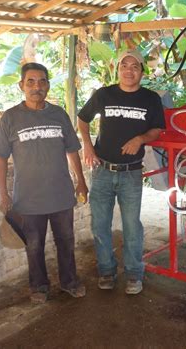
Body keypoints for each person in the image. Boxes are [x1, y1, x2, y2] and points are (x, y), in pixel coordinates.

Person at [0, 62, 88, 304]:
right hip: (28, 199)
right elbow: (0, 158)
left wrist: (81, 182)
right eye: (31, 82)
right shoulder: (10, 118)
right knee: (34, 247)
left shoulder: (59, 114)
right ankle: (39, 287)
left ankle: (69, 282)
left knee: (66, 242)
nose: (37, 86)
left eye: (42, 81)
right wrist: (3, 194)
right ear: (21, 85)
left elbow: (73, 150)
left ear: (48, 85)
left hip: (61, 195)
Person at [77, 49, 165, 295]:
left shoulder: (150, 99)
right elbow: (82, 119)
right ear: (118, 70)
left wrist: (141, 138)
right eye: (124, 66)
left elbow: (157, 129)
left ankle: (134, 274)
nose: (129, 70)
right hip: (102, 170)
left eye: (134, 66)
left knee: (132, 227)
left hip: (131, 174)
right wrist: (87, 145)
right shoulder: (104, 94)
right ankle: (106, 270)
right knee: (100, 225)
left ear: (141, 71)